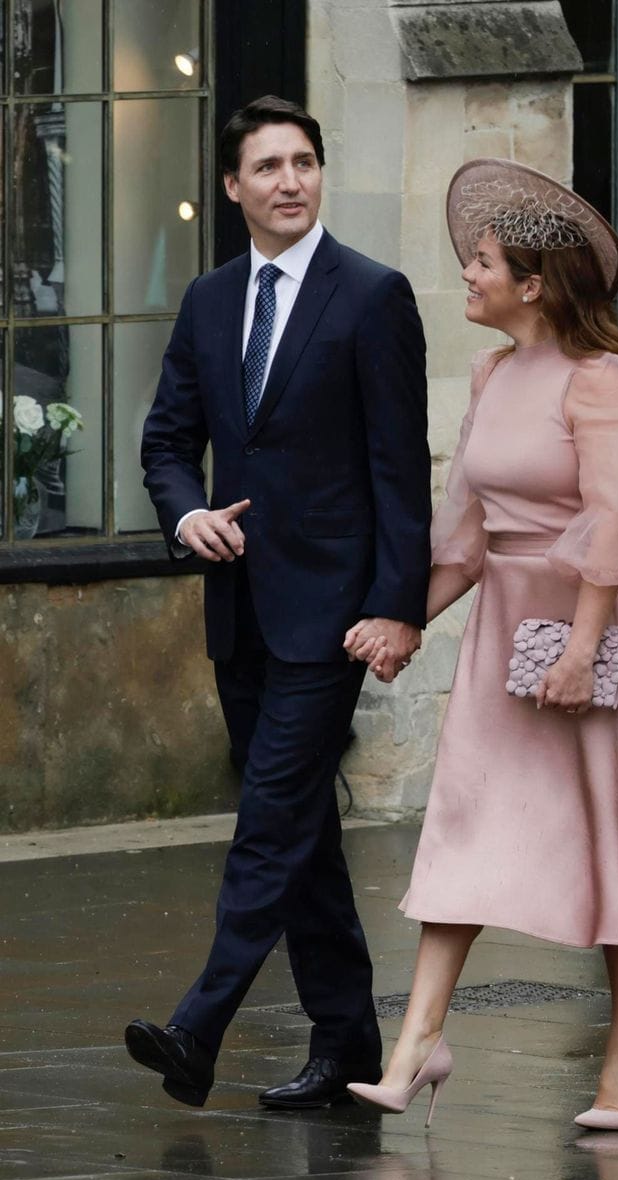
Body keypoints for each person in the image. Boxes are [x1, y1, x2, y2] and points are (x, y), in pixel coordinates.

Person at [344, 159, 618, 1130]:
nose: (469, 276)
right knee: (464, 831)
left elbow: (614, 529)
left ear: (533, 282)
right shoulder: (492, 376)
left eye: (482, 261)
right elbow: (464, 539)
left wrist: (579, 650)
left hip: (590, 633)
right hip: (502, 644)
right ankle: (417, 1044)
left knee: (613, 841)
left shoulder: (602, 380)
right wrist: (408, 620)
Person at [125, 95, 431, 1110]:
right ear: (232, 187)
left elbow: (401, 472)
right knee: (302, 835)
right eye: (269, 167)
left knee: (267, 822)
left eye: (305, 162)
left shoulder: (372, 296)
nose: (291, 181)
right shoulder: (210, 302)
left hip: (334, 619)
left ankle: (197, 1030)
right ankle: (346, 1044)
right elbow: (167, 442)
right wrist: (187, 518)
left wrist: (400, 608)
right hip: (239, 610)